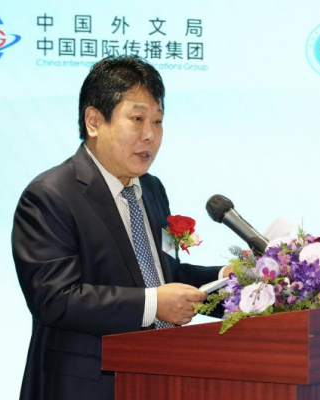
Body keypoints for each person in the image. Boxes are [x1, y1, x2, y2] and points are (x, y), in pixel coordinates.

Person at [12, 56, 227, 400]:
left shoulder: (152, 189)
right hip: (85, 387)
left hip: (159, 379)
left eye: (158, 121)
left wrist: (230, 280)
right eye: (137, 119)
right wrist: (153, 304)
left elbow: (163, 274)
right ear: (94, 121)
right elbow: (55, 299)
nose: (150, 135)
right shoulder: (50, 195)